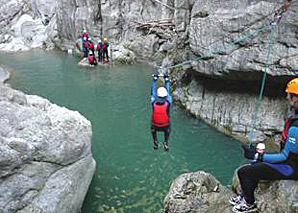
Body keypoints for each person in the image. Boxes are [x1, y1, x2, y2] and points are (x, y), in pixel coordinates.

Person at [230, 77, 298, 213]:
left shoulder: (296, 127)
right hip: (292, 162)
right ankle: (245, 194)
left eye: (289, 95)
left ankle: (249, 203)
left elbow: (285, 156)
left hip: (293, 168)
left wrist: (258, 155)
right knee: (255, 165)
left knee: (244, 172)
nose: (287, 98)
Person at [150, 73, 172, 151]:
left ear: (158, 95)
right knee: (168, 128)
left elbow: (152, 91)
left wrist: (154, 80)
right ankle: (166, 142)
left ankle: (155, 142)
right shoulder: (168, 101)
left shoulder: (153, 101)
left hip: (155, 126)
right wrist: (166, 80)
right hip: (165, 126)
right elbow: (168, 91)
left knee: (153, 128)